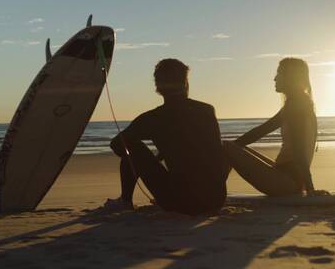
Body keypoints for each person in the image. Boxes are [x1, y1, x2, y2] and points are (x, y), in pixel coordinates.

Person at [106, 58, 229, 215]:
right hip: (215, 200)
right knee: (221, 147)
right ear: (185, 83)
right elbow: (214, 154)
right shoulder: (206, 110)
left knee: (129, 145)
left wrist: (149, 163)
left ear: (158, 87)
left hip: (178, 201)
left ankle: (125, 200)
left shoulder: (153, 118)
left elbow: (116, 144)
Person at [224, 58, 319, 196]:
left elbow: (299, 150)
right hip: (286, 178)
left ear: (290, 77)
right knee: (232, 147)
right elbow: (260, 131)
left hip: (286, 184)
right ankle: (213, 191)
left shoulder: (296, 106)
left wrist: (310, 189)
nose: (275, 79)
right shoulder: (298, 103)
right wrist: (235, 146)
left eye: (279, 74)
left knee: (226, 147)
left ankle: (212, 192)